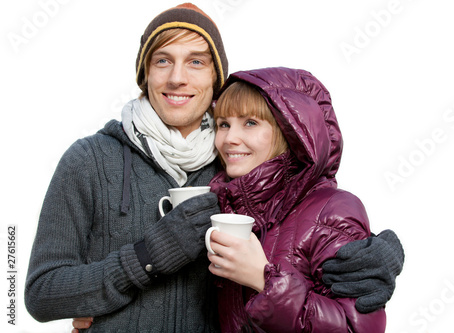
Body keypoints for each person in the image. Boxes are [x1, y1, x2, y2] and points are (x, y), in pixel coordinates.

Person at [24, 3, 403, 333]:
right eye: (162, 60)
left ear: (215, 79)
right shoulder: (88, 160)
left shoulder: (238, 163)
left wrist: (376, 257)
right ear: (145, 76)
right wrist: (148, 256)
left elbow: (308, 200)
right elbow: (42, 294)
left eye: (196, 62)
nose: (177, 77)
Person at [205, 67, 387, 332]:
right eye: (223, 124)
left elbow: (356, 328)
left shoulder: (334, 209)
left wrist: (265, 281)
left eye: (250, 123)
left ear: (289, 131)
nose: (230, 139)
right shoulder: (226, 203)